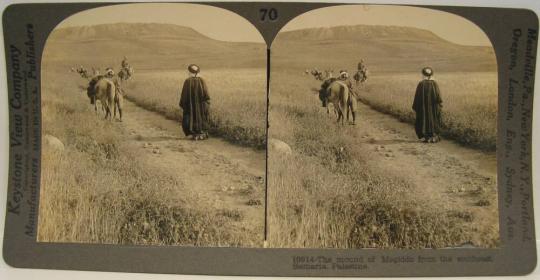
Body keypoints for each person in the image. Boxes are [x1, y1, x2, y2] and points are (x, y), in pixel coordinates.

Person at [179, 64, 210, 140]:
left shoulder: (187, 81)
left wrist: (183, 104)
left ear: (190, 72)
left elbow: (184, 96)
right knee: (202, 118)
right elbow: (207, 95)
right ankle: (201, 134)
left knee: (189, 117)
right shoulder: (202, 81)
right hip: (201, 107)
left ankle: (192, 134)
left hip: (190, 107)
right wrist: (206, 105)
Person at [412, 67, 443, 143]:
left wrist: (416, 106)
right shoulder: (434, 84)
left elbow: (417, 97)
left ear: (423, 74)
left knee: (423, 119)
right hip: (433, 108)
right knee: (434, 119)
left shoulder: (421, 84)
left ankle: (425, 137)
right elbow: (439, 97)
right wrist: (439, 105)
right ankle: (433, 137)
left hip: (423, 108)